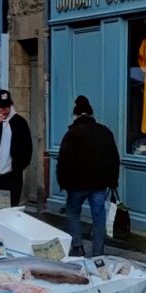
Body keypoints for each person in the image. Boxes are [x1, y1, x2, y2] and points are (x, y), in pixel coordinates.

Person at [56, 95, 121, 258]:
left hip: (76, 185)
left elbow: (64, 161)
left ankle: (77, 246)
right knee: (99, 217)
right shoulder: (104, 132)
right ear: (91, 115)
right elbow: (113, 158)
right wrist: (112, 181)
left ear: (76, 115)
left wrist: (63, 182)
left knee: (73, 213)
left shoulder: (72, 133)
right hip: (99, 184)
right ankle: (98, 252)